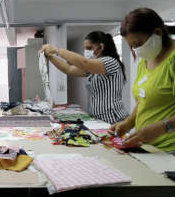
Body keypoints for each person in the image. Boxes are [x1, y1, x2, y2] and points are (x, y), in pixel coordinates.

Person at [109, 8, 175, 152]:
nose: (136, 50)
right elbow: (143, 101)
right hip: (148, 147)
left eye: (138, 44)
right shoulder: (145, 61)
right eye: (132, 46)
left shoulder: (173, 61)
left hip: (170, 150)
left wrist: (162, 128)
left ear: (157, 33)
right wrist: (128, 123)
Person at [39, 31, 128, 124]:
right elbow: (69, 69)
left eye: (89, 48)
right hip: (100, 120)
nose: (87, 52)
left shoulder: (110, 62)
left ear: (101, 47)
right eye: (85, 49)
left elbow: (85, 63)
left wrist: (57, 50)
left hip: (114, 119)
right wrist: (49, 56)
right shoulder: (95, 67)